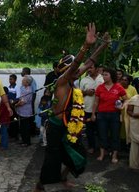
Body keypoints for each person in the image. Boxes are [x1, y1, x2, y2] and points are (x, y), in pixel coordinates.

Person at [35, 23, 110, 192]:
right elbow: (76, 65)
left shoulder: (73, 78)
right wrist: (85, 45)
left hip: (69, 125)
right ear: (65, 71)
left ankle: (63, 176)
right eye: (73, 70)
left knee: (78, 154)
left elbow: (89, 62)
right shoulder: (62, 81)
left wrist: (102, 46)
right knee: (52, 159)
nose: (78, 71)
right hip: (55, 126)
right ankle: (39, 186)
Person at [91, 68, 127, 163]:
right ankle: (102, 154)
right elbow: (96, 103)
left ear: (111, 76)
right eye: (103, 75)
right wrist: (93, 114)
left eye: (106, 75)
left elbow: (126, 99)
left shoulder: (118, 87)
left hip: (115, 114)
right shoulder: (100, 87)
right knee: (102, 135)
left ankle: (114, 155)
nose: (103, 76)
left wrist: (122, 106)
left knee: (115, 135)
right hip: (102, 115)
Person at [79, 63, 104, 154]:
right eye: (88, 68)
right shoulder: (84, 80)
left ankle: (102, 148)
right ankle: (91, 147)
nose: (89, 69)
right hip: (88, 109)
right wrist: (86, 92)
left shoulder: (102, 78)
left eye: (91, 67)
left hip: (101, 109)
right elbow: (79, 93)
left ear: (97, 69)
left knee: (101, 130)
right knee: (89, 130)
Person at [15, 75, 33, 147]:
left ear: (27, 82)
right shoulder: (22, 88)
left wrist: (16, 105)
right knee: (22, 126)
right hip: (21, 110)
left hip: (26, 111)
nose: (22, 81)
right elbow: (20, 98)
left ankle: (27, 141)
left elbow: (23, 102)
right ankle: (23, 140)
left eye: (24, 80)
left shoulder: (29, 90)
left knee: (25, 127)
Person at [21, 67, 37, 135]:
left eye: (23, 71)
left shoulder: (30, 80)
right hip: (26, 101)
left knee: (30, 117)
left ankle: (32, 132)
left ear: (26, 72)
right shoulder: (25, 79)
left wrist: (31, 103)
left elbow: (34, 92)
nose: (21, 72)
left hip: (29, 102)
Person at [126, 94, 139, 169]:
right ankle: (134, 165)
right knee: (135, 144)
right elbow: (129, 111)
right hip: (136, 124)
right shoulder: (134, 99)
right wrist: (135, 115)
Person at [7, 74, 20, 140]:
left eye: (11, 79)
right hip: (9, 107)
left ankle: (15, 135)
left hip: (14, 107)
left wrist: (13, 104)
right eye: (9, 79)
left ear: (15, 80)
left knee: (15, 120)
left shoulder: (17, 87)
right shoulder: (8, 87)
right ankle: (11, 134)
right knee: (10, 121)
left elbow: (18, 98)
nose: (10, 80)